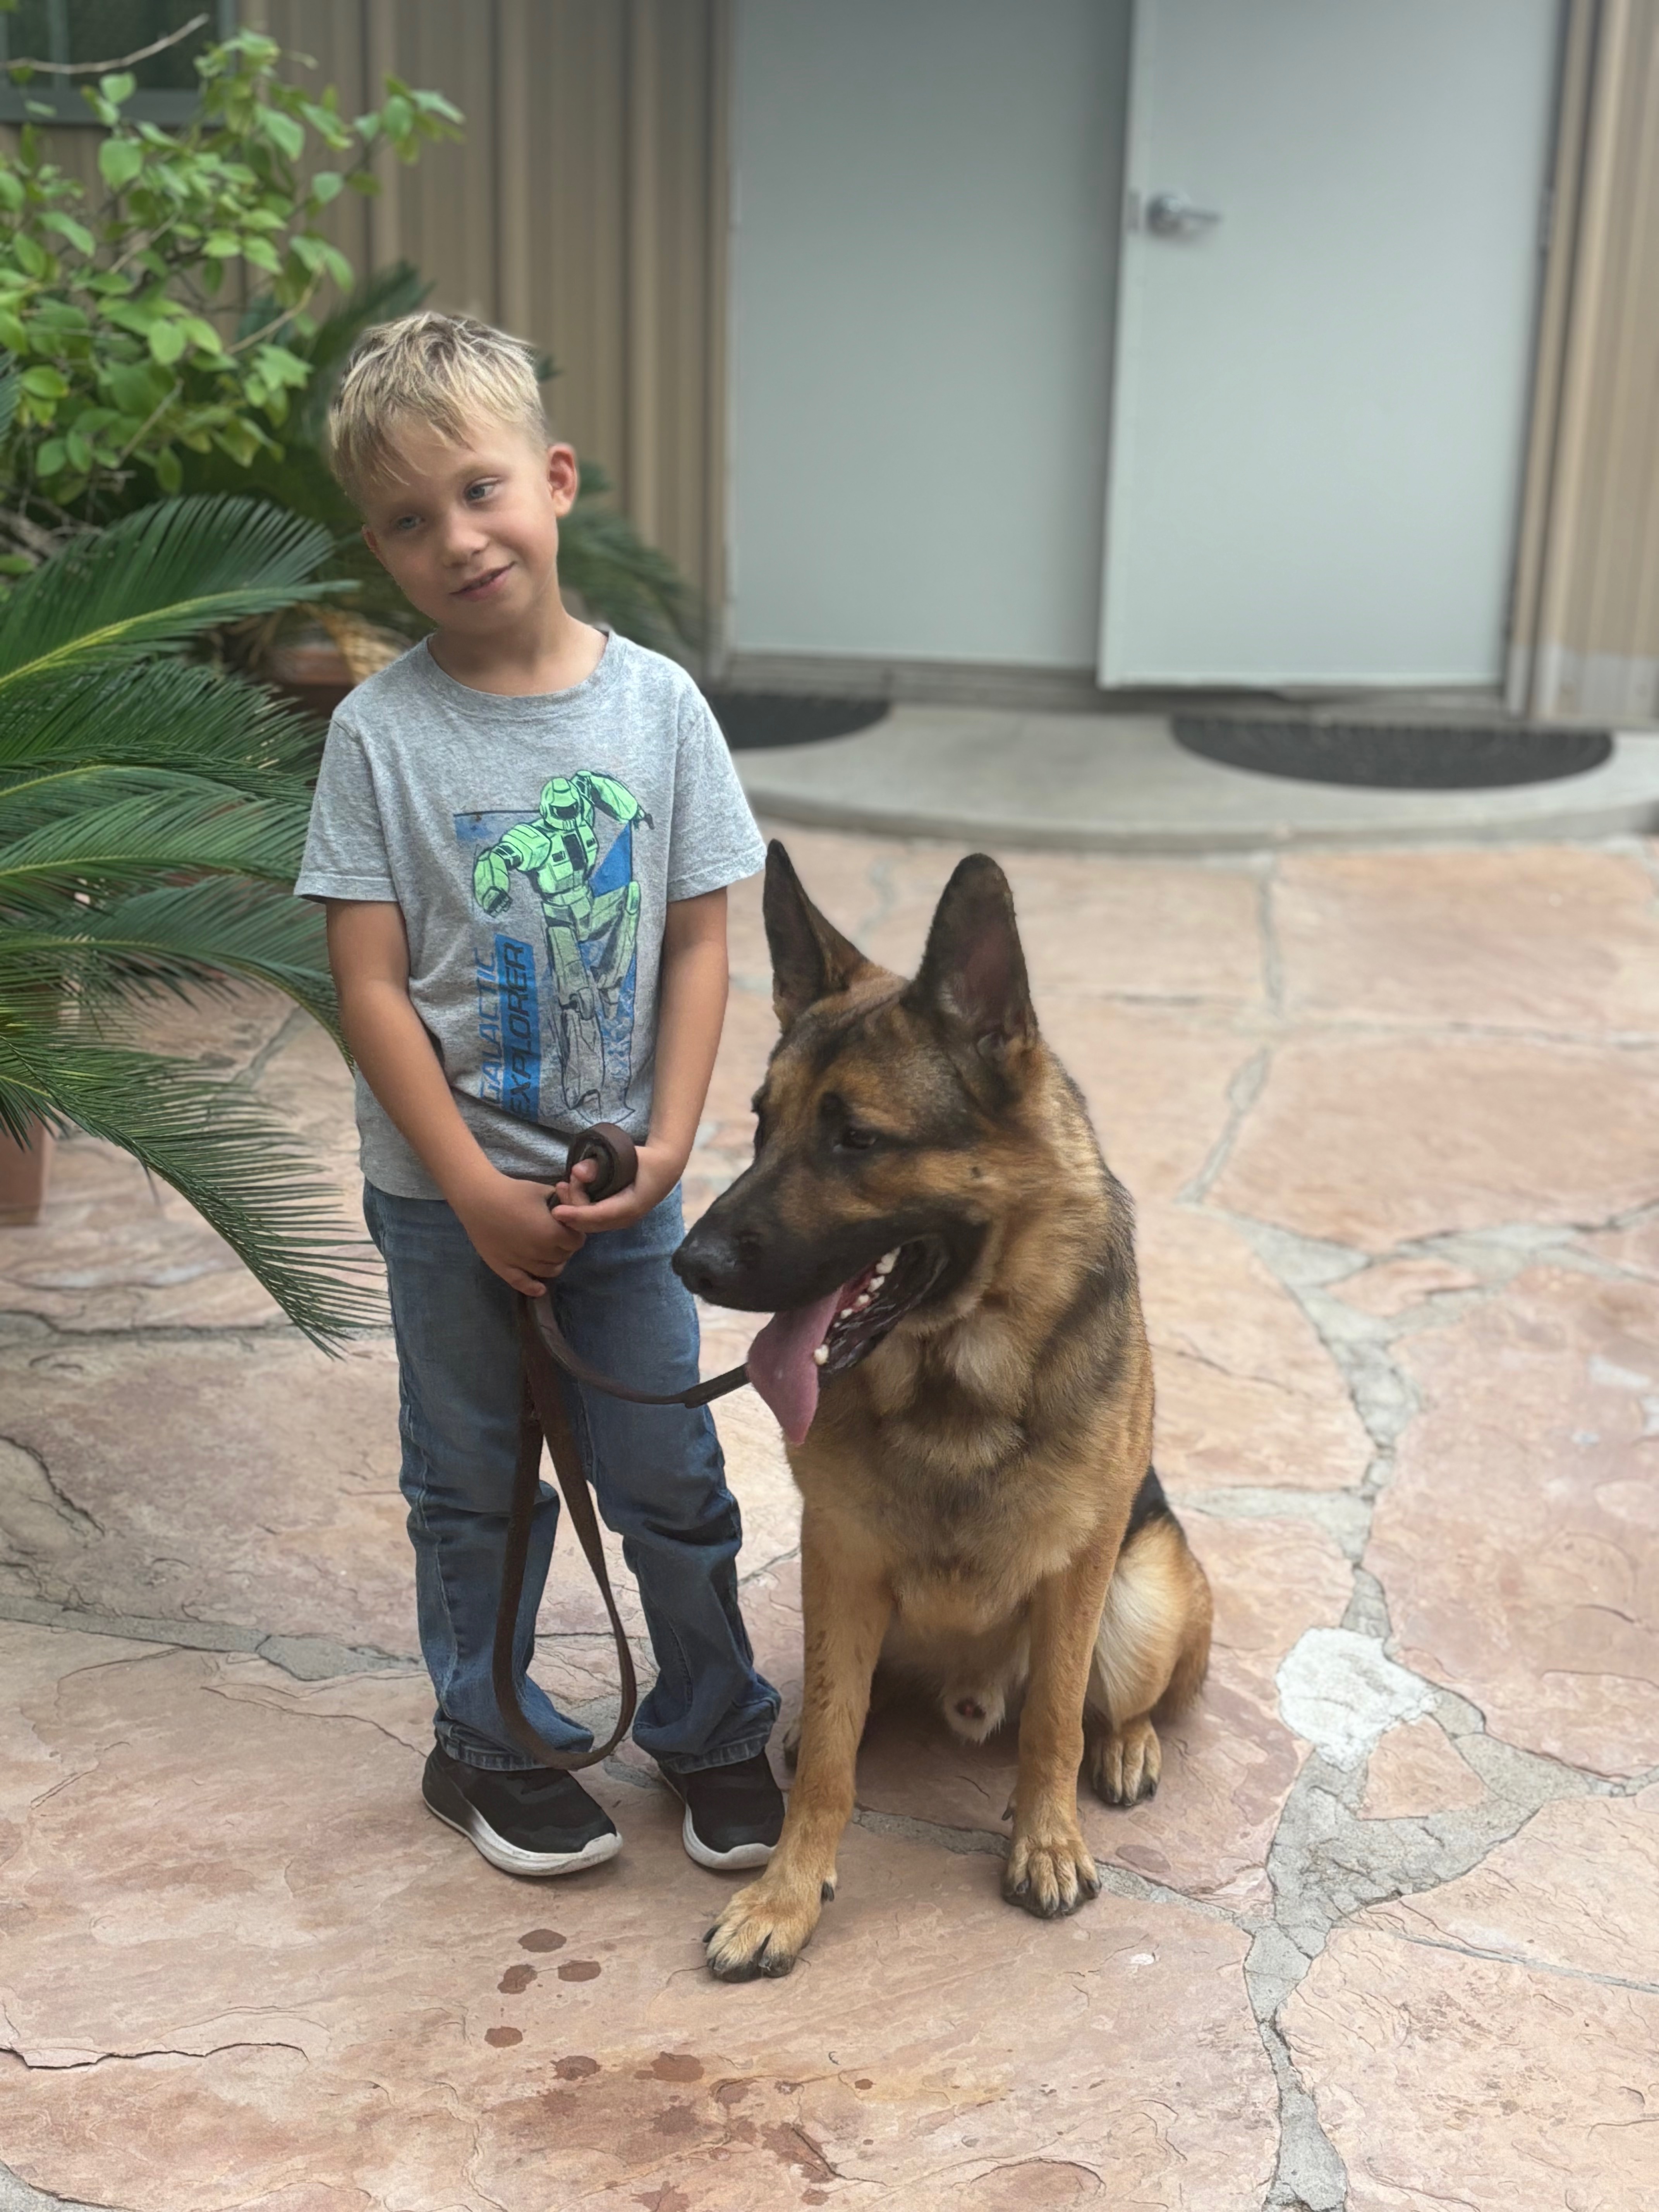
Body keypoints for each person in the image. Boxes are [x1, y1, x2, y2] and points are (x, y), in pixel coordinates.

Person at [295, 311, 783, 1880]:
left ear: (555, 481)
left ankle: (711, 1721)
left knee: (666, 1471)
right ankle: (490, 1743)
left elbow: (699, 939)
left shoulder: (659, 710)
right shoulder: (378, 737)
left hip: (620, 1193)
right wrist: (468, 1188)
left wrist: (671, 1143)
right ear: (379, 548)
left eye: (480, 490)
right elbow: (370, 985)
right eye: (406, 521)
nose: (455, 538)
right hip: (447, 1206)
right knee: (474, 1483)